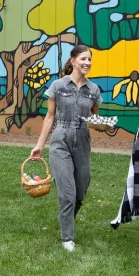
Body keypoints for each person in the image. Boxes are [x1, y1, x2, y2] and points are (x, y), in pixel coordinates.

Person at [30, 45, 102, 253]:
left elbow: (94, 119)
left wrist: (103, 126)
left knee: (80, 191)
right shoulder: (58, 86)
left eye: (89, 59)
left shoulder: (94, 90)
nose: (87, 63)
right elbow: (50, 116)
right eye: (83, 59)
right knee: (67, 193)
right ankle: (67, 237)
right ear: (72, 61)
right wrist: (39, 145)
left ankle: (66, 218)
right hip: (60, 139)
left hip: (83, 140)